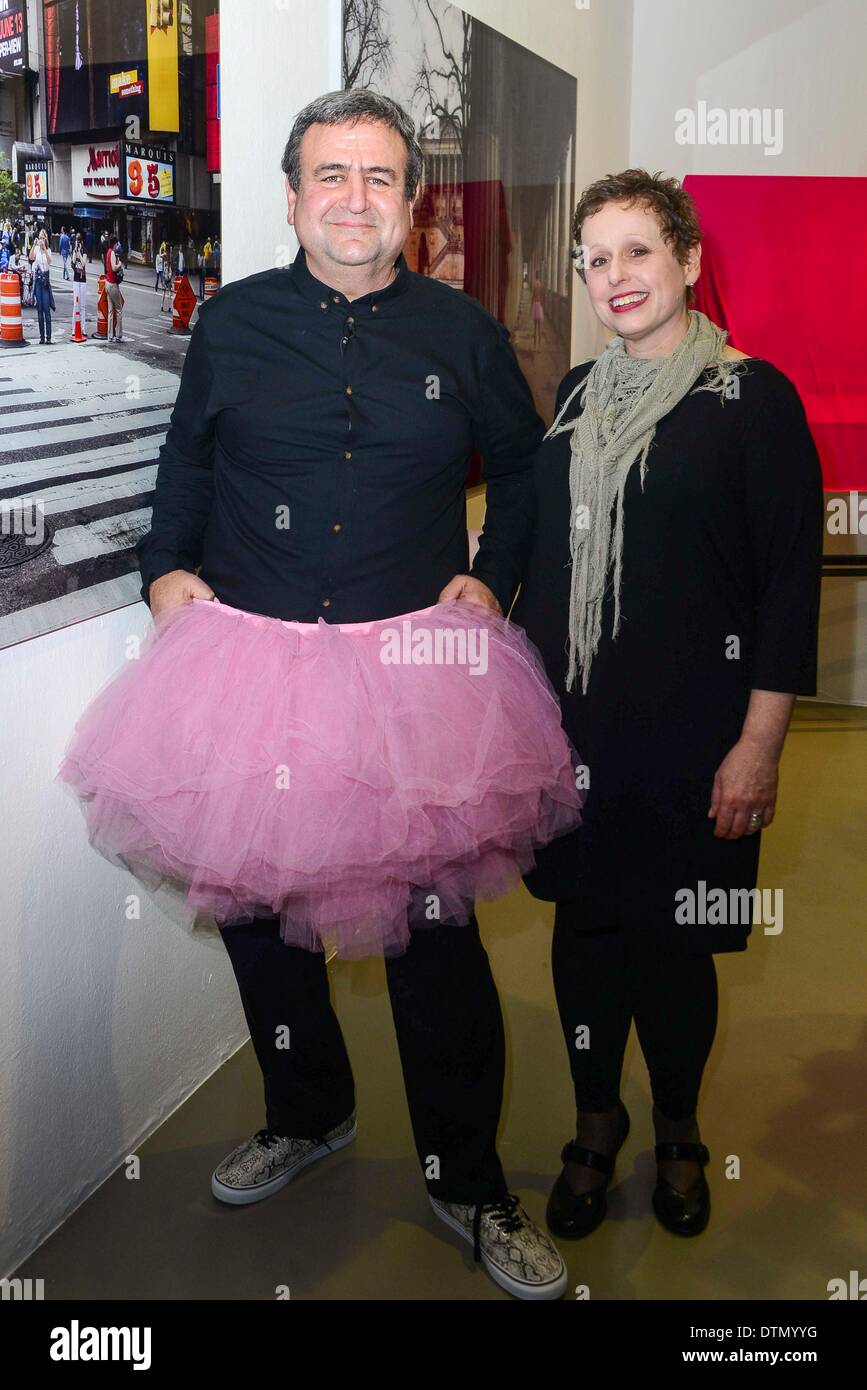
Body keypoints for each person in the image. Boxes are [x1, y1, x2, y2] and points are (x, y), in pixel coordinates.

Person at [63, 89, 575, 1301]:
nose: (355, 199)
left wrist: (491, 576)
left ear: (412, 200)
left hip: (418, 676)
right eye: (331, 176)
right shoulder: (235, 324)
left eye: (380, 177)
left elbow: (518, 459)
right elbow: (187, 456)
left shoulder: (461, 332)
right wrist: (162, 574)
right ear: (293, 196)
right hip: (253, 663)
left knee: (438, 941)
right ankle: (308, 1110)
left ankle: (469, 1178)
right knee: (260, 917)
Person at [512, 169, 824, 1241]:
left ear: (688, 261)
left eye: (637, 251)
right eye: (595, 259)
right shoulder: (574, 398)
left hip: (698, 738)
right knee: (587, 933)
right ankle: (596, 1123)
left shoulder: (752, 396)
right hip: (578, 731)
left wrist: (760, 745)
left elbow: (788, 585)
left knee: (677, 944)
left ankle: (680, 1130)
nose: (614, 277)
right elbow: (544, 556)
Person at [28, 229, 55, 344]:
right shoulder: (37, 249)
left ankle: (49, 336)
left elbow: (50, 262)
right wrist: (34, 245)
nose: (41, 239)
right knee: (39, 310)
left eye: (43, 237)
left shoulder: (48, 250)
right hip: (38, 281)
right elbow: (31, 258)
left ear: (46, 238)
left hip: (45, 281)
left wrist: (44, 249)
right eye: (40, 237)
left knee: (46, 310)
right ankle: (42, 336)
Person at [104, 238, 124, 342]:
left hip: (107, 283)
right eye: (117, 244)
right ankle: (119, 335)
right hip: (112, 284)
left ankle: (110, 335)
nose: (117, 246)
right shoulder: (111, 252)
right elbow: (113, 268)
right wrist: (119, 264)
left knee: (110, 311)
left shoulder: (108, 252)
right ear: (114, 244)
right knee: (119, 309)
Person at [71, 233, 88, 333]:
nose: (78, 242)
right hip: (76, 279)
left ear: (82, 241)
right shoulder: (75, 250)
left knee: (83, 306)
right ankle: (73, 328)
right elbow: (73, 262)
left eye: (79, 240)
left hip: (83, 280)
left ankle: (83, 328)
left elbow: (83, 263)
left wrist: (80, 253)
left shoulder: (84, 250)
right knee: (75, 304)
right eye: (77, 240)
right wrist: (75, 250)